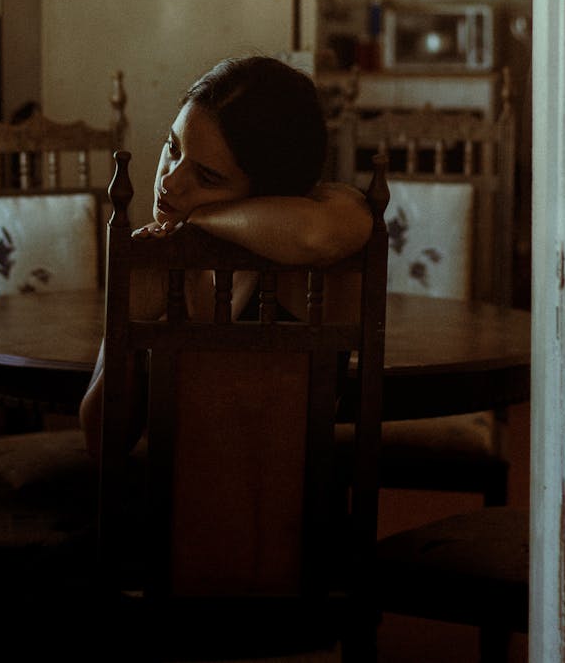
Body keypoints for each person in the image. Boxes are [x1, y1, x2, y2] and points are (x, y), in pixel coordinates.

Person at [79, 55, 373, 457]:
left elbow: (313, 232)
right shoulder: (155, 257)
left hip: (284, 517)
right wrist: (126, 338)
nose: (169, 180)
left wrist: (200, 219)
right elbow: (101, 443)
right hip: (165, 513)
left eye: (207, 177)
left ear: (271, 193)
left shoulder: (306, 271)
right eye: (173, 147)